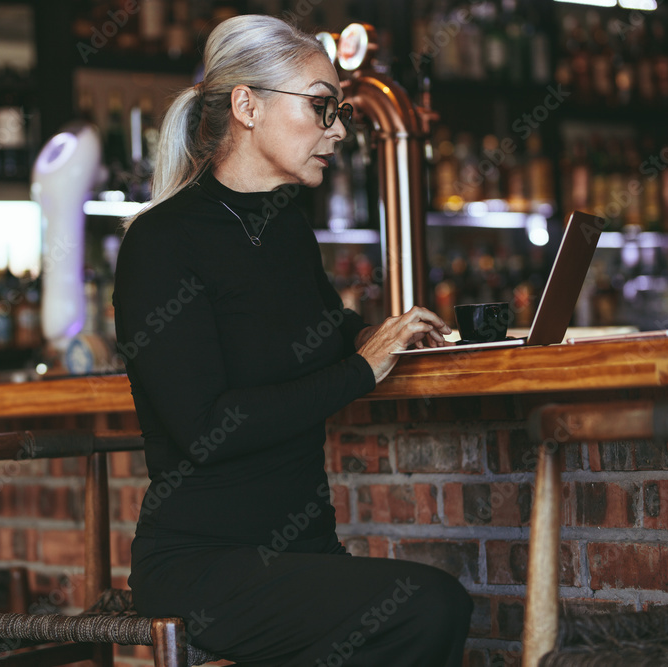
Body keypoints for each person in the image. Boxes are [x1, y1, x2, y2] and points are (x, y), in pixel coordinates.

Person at [112, 15, 473, 667]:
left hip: (301, 553)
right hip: (201, 567)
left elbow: (315, 336)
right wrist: (362, 369)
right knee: (431, 605)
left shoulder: (285, 230)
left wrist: (389, 336)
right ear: (247, 105)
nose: (337, 128)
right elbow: (203, 425)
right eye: (322, 106)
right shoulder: (160, 243)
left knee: (427, 611)